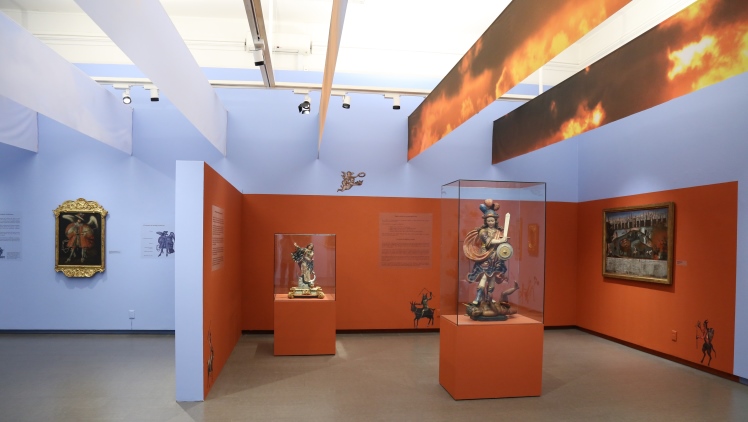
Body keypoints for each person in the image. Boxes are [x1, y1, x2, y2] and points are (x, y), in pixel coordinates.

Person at [462, 199, 518, 319]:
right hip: (485, 257)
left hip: (495, 258)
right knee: (483, 277)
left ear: (495, 221)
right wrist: (501, 240)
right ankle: (477, 298)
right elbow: (489, 241)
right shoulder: (483, 231)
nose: (491, 222)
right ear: (485, 221)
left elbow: (503, 246)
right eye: (489, 220)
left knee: (492, 279)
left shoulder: (498, 231)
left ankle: (489, 298)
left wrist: (504, 242)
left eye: (492, 220)